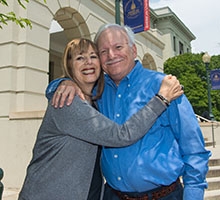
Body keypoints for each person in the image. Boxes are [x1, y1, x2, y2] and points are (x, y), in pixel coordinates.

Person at [48, 24, 211, 200]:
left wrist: (193, 195)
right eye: (103, 51)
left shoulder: (165, 87)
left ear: (133, 50)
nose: (111, 55)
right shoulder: (98, 92)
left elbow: (194, 150)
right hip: (113, 195)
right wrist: (63, 83)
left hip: (164, 195)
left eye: (118, 47)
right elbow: (74, 82)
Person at [18, 38, 183, 200]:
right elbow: (121, 135)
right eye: (80, 58)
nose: (88, 62)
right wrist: (161, 99)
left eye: (93, 56)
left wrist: (62, 83)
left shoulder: (97, 103)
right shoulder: (68, 103)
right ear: (69, 65)